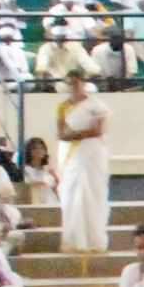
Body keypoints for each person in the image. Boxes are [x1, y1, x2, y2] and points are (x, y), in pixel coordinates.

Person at [53, 72, 113, 259]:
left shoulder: (96, 106)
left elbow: (98, 130)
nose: (73, 87)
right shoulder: (63, 107)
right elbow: (61, 133)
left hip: (91, 153)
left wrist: (76, 135)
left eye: (76, 83)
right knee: (72, 194)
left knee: (91, 193)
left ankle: (93, 239)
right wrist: (75, 135)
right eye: (70, 84)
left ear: (83, 83)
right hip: (71, 153)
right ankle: (73, 239)